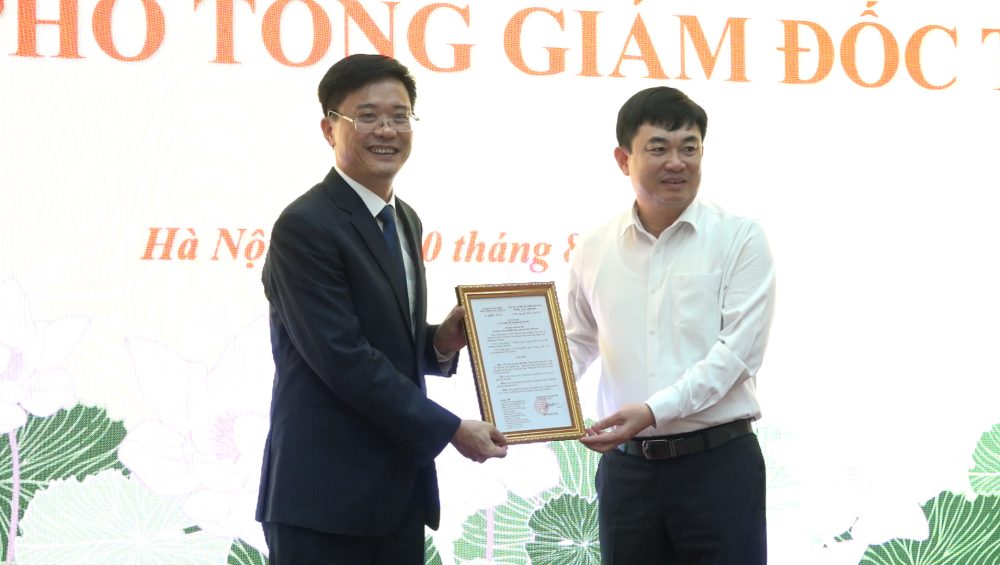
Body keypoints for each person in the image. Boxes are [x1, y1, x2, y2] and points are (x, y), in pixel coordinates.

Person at [256, 54, 508, 565]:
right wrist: (451, 429)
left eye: (399, 116)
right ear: (329, 128)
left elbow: (384, 340)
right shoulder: (305, 225)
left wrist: (440, 342)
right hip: (324, 499)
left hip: (395, 495)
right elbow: (342, 357)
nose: (386, 130)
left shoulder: (404, 218)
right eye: (367, 116)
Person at [564, 86, 776, 564]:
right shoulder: (594, 246)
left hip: (718, 467)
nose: (677, 162)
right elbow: (576, 339)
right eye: (658, 148)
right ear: (624, 159)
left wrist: (652, 411)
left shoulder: (739, 238)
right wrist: (530, 404)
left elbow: (736, 356)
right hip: (627, 474)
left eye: (689, 148)